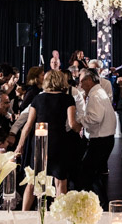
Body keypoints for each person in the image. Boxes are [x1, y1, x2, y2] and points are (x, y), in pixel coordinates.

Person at [15, 69, 81, 209]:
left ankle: (23, 213)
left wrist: (19, 146)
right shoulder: (68, 99)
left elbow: (28, 125)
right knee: (60, 181)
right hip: (59, 142)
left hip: (40, 141)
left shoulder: (38, 99)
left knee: (33, 180)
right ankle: (59, 214)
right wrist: (80, 127)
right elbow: (72, 124)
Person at [75, 69, 117, 201]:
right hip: (105, 138)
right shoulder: (99, 92)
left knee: (88, 174)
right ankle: (99, 204)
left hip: (100, 140)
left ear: (89, 80)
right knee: (93, 174)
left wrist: (79, 121)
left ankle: (100, 204)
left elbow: (95, 117)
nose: (80, 85)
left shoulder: (95, 95)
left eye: (82, 81)